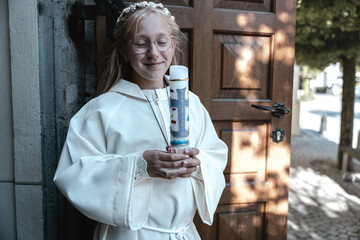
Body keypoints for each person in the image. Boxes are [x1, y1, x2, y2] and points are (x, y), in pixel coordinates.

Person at [53, 1, 228, 239]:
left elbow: (215, 154)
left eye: (161, 41)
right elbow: (74, 175)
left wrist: (198, 163)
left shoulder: (192, 103)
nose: (153, 52)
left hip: (184, 233)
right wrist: (140, 166)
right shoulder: (102, 110)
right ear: (125, 50)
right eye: (141, 43)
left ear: (173, 44)